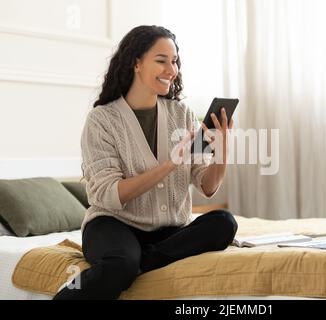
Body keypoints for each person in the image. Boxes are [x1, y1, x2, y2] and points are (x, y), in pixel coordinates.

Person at [53, 25, 237, 300]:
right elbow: (110, 194)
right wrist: (171, 163)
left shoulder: (181, 113)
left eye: (174, 61)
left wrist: (221, 149)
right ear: (136, 63)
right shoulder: (102, 120)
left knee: (224, 222)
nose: (171, 70)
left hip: (167, 231)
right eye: (161, 61)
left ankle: (144, 259)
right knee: (120, 265)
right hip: (113, 225)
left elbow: (207, 186)